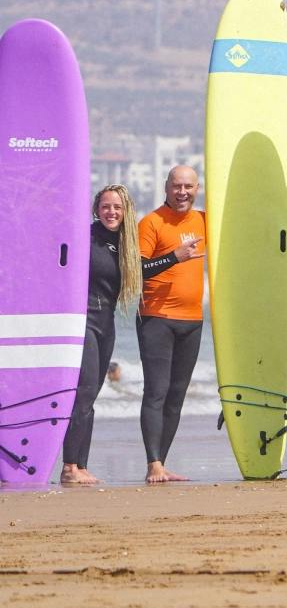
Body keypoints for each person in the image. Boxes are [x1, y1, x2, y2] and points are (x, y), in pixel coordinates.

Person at [135, 164, 206, 483]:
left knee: (177, 394)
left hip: (192, 320)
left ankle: (161, 462)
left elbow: (244, 235)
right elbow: (138, 270)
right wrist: (174, 257)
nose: (182, 192)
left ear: (197, 188)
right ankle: (153, 464)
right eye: (177, 186)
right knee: (157, 392)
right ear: (166, 187)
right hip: (157, 318)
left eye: (188, 187)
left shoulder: (205, 220)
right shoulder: (152, 222)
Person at [65, 184, 139, 485]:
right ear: (96, 209)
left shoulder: (126, 243)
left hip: (105, 321)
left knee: (92, 394)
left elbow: (145, 267)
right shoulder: (86, 236)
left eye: (117, 207)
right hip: (84, 320)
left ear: (126, 212)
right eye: (106, 206)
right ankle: (69, 466)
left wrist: (175, 256)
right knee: (83, 393)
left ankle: (81, 464)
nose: (111, 212)